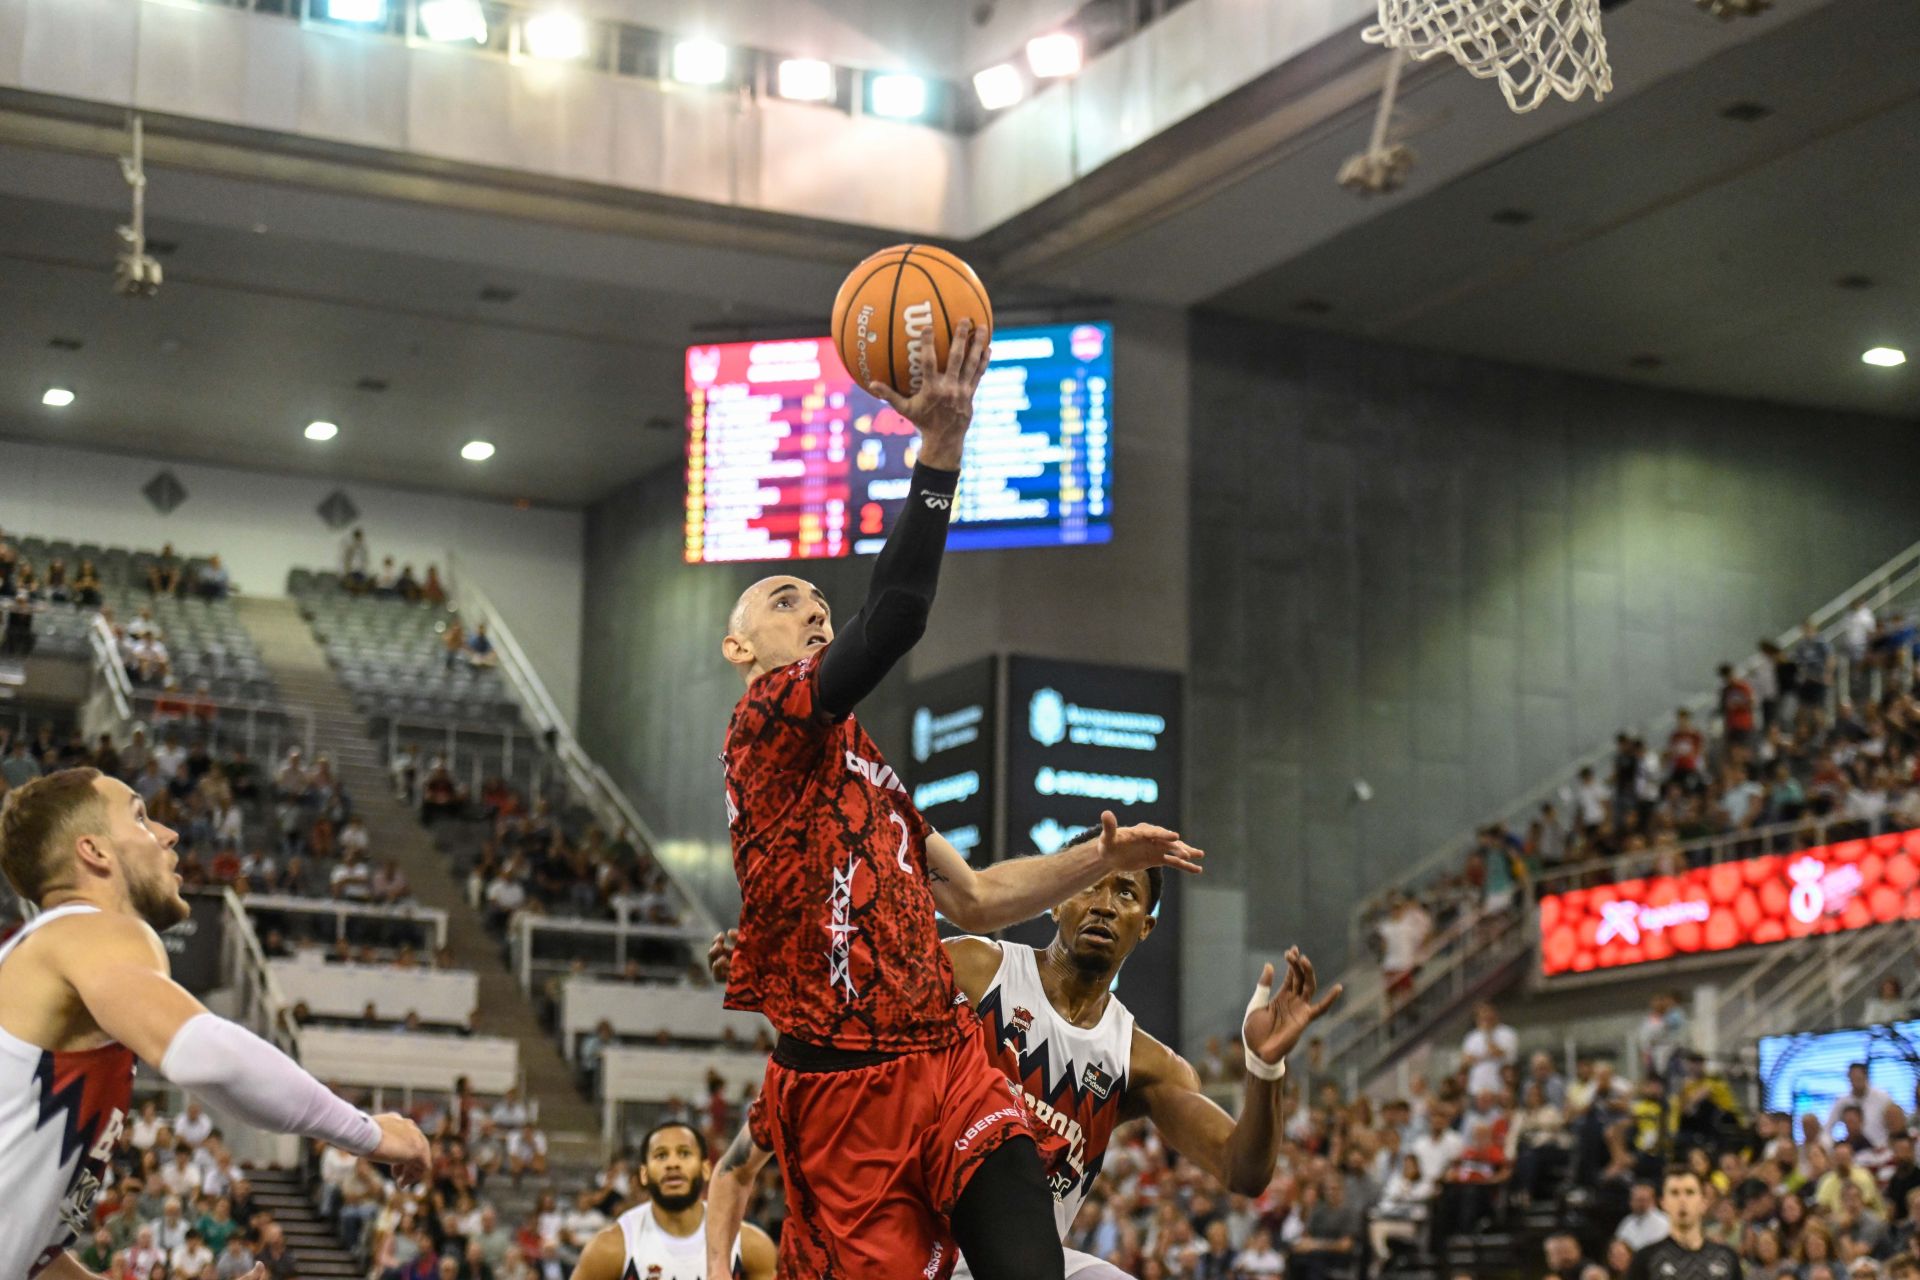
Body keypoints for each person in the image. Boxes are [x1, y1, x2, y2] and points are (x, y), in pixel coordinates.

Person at [701, 319, 1204, 1280]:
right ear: (741, 651)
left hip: (946, 1060)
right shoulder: (765, 729)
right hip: (843, 1097)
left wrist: (1103, 857)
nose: (810, 609)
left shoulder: (868, 768)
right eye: (783, 598)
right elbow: (893, 615)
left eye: (815, 598)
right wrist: (940, 448)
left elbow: (973, 900)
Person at [710, 864, 1338, 1280]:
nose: (1104, 904)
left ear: (1144, 927)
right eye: (1092, 885)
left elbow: (1245, 1170)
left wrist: (1265, 1064)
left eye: (1126, 894)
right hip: (926, 1246)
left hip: (1033, 1263)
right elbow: (861, 1012)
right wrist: (775, 972)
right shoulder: (978, 969)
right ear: (1056, 903)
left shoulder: (1142, 1061)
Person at [0, 767, 430, 1279]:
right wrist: (367, 1133)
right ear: (94, 852)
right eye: (140, 817)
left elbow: (32, 1265)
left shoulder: (43, 965)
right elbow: (207, 1054)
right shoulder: (93, 930)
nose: (168, 833)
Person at [567, 1121, 774, 1280]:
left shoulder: (749, 1244)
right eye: (661, 1155)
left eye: (684, 1154)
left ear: (705, 1168)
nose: (673, 1163)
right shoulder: (610, 1247)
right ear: (644, 1174)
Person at [1624, 1166, 1741, 1280]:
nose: (1682, 1200)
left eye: (1689, 1192)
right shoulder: (1646, 1258)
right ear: (1663, 1203)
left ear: (1703, 1202)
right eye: (1674, 1193)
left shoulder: (1726, 1257)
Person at [1461, 1001, 1518, 1100]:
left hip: (1499, 1088)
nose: (1485, 1017)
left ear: (1495, 1014)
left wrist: (1487, 1035)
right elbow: (1466, 1061)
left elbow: (1498, 1054)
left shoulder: (1507, 1033)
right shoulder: (1472, 1036)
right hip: (1476, 1089)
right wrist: (1486, 1055)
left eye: (1487, 1013)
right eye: (1481, 1014)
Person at [1832, 1064, 1898, 1148]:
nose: (1856, 1082)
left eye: (1859, 1078)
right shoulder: (1842, 1102)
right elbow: (1829, 1127)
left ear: (1866, 1077)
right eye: (1853, 1079)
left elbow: (1896, 1124)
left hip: (1883, 1149)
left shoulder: (1883, 1098)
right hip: (1855, 1152)